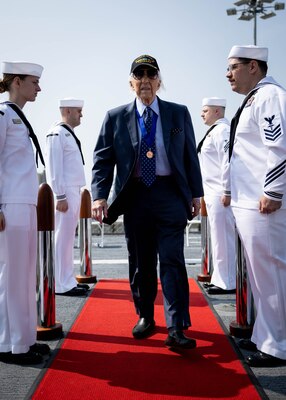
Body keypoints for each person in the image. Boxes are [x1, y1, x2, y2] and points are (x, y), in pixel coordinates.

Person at [91, 54, 203, 350]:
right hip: (136, 196)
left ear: (159, 81)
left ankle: (177, 326)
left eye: (150, 75)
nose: (145, 81)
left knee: (172, 260)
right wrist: (99, 195)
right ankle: (145, 315)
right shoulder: (115, 117)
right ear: (131, 83)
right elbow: (103, 159)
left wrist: (196, 193)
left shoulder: (178, 113)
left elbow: (190, 155)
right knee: (141, 263)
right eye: (138, 76)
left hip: (169, 194)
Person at [225, 45, 286, 367]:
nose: (227, 74)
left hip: (264, 203)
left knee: (272, 274)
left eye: (233, 67)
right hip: (249, 200)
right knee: (261, 275)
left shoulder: (269, 97)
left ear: (252, 66)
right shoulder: (255, 99)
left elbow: (280, 147)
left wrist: (274, 191)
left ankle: (278, 345)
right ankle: (267, 333)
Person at [0, 61, 50, 364]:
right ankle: (9, 344)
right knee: (12, 276)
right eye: (34, 82)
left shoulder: (17, 117)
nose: (39, 88)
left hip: (25, 204)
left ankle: (25, 339)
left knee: (25, 274)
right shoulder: (4, 116)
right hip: (10, 205)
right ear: (16, 81)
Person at [45, 98, 88, 296]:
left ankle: (67, 279)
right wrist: (60, 195)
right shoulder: (57, 133)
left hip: (72, 190)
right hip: (65, 193)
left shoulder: (66, 133)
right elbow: (54, 167)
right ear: (68, 111)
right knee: (62, 238)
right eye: (79, 111)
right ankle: (60, 283)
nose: (81, 115)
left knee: (68, 238)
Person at [198, 97, 236, 295]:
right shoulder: (214, 130)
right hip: (213, 192)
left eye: (205, 110)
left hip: (221, 193)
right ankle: (221, 278)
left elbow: (227, 161)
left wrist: (227, 190)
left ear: (217, 111)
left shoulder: (222, 131)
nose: (202, 114)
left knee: (224, 239)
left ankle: (227, 282)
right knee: (218, 238)